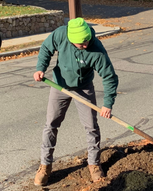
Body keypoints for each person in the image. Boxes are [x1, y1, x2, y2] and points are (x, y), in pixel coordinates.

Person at [33, 17, 118, 186]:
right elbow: (45, 49)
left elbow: (109, 77)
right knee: (51, 124)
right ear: (71, 40)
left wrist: (107, 104)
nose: (85, 45)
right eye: (81, 44)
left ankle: (94, 163)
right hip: (59, 85)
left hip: (83, 88)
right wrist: (40, 69)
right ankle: (45, 165)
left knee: (91, 126)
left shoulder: (96, 49)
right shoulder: (60, 34)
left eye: (87, 41)